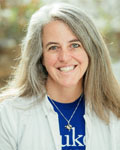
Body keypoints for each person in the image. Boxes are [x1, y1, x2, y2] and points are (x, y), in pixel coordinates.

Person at [0, 2, 120, 150]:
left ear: (91, 50)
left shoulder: (115, 114)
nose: (64, 57)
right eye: (53, 47)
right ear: (40, 56)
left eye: (75, 45)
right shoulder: (9, 115)